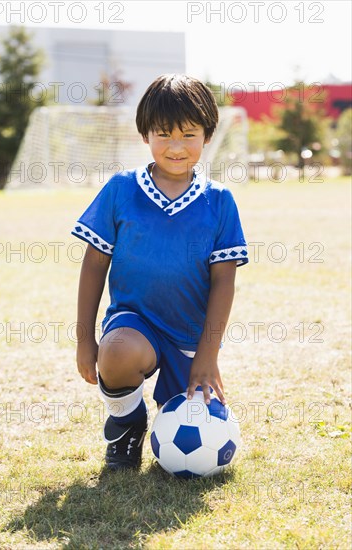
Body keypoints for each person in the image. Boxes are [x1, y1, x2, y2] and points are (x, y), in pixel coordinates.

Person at [72, 74, 248, 471]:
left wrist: (207, 355)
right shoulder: (121, 190)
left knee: (197, 425)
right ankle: (126, 424)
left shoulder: (219, 201)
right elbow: (94, 263)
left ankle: (176, 403)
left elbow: (224, 281)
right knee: (116, 354)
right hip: (136, 322)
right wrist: (86, 339)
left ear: (207, 135)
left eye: (188, 134)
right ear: (144, 134)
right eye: (163, 133)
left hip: (191, 333)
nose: (175, 146)